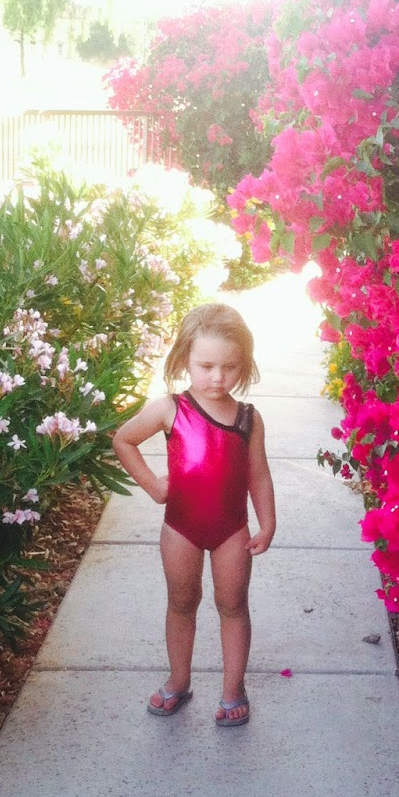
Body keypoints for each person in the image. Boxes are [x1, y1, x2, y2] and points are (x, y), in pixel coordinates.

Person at [112, 302, 276, 725]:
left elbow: (258, 474)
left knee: (233, 605)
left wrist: (267, 523)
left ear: (244, 364)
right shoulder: (170, 408)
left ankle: (232, 688)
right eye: (206, 366)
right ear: (185, 358)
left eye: (230, 367)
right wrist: (154, 486)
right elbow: (123, 440)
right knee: (182, 603)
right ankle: (179, 679)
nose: (218, 377)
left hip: (232, 531)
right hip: (180, 529)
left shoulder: (248, 419)